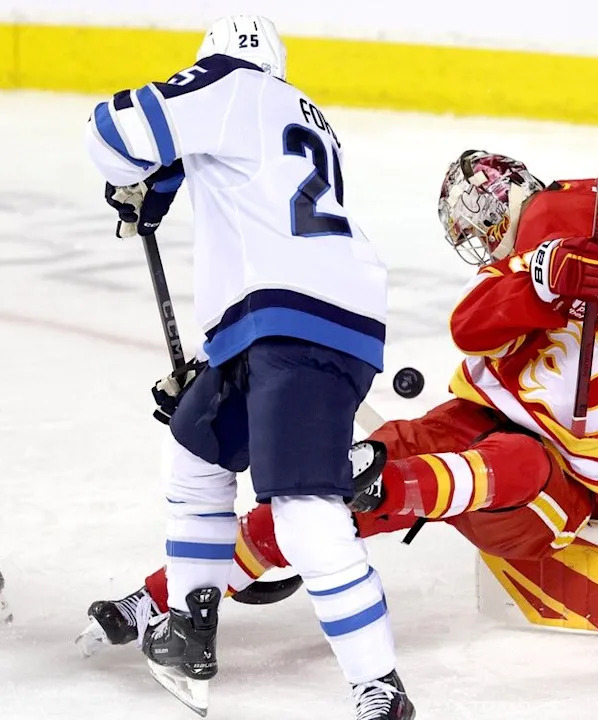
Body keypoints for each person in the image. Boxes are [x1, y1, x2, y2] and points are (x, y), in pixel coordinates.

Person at [82, 153, 598, 653]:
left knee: (506, 463)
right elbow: (469, 327)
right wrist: (541, 283)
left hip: (559, 491)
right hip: (474, 419)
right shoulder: (562, 242)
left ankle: (395, 485)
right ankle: (161, 599)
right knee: (320, 500)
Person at [84, 14, 414, 720]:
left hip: (291, 326)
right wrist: (163, 184)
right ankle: (187, 633)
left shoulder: (228, 82)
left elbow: (115, 131)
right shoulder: (302, 113)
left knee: (302, 511)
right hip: (283, 326)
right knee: (193, 452)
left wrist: (131, 175)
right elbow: (240, 183)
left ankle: (378, 688)